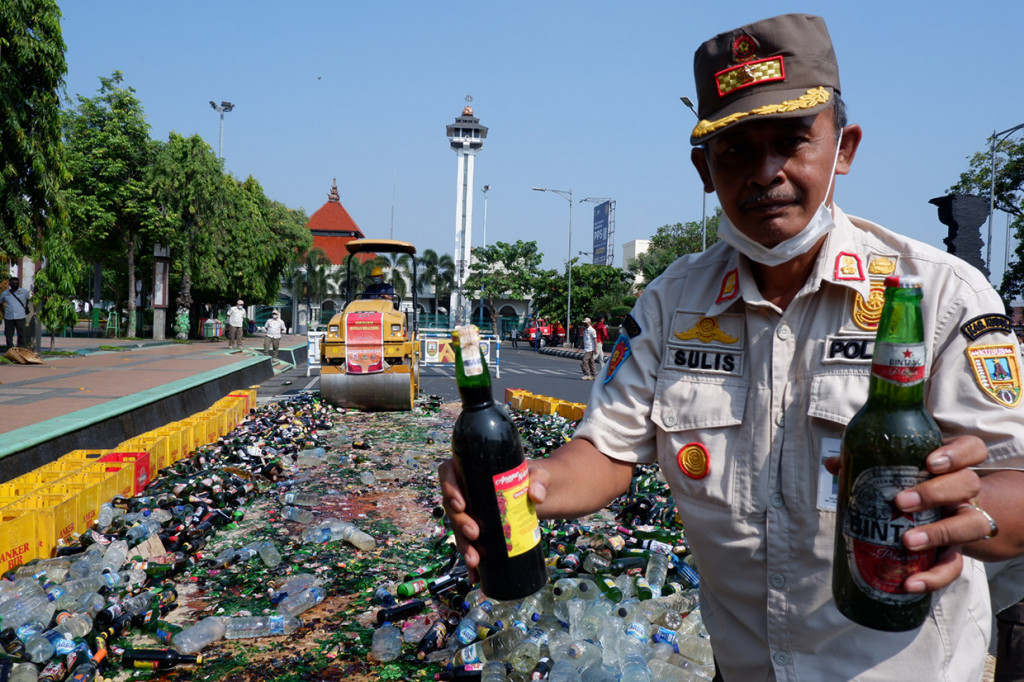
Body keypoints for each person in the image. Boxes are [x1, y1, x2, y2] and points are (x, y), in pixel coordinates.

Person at [441, 13, 1024, 681]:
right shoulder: (671, 302)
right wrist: (531, 484)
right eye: (737, 150)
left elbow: (1017, 482)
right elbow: (607, 450)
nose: (766, 172)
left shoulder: (935, 295)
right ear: (704, 167)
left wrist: (963, 507)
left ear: (845, 148)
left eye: (793, 142)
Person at [0, 276, 30, 349]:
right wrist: (3, 312)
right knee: (8, 335)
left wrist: (25, 308)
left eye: (17, 283)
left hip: (21, 316)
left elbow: (28, 300)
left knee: (21, 335)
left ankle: (21, 349)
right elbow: (0, 303)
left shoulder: (24, 292)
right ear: (9, 284)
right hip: (9, 317)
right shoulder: (5, 293)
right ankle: (10, 350)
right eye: (13, 283)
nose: (15, 284)